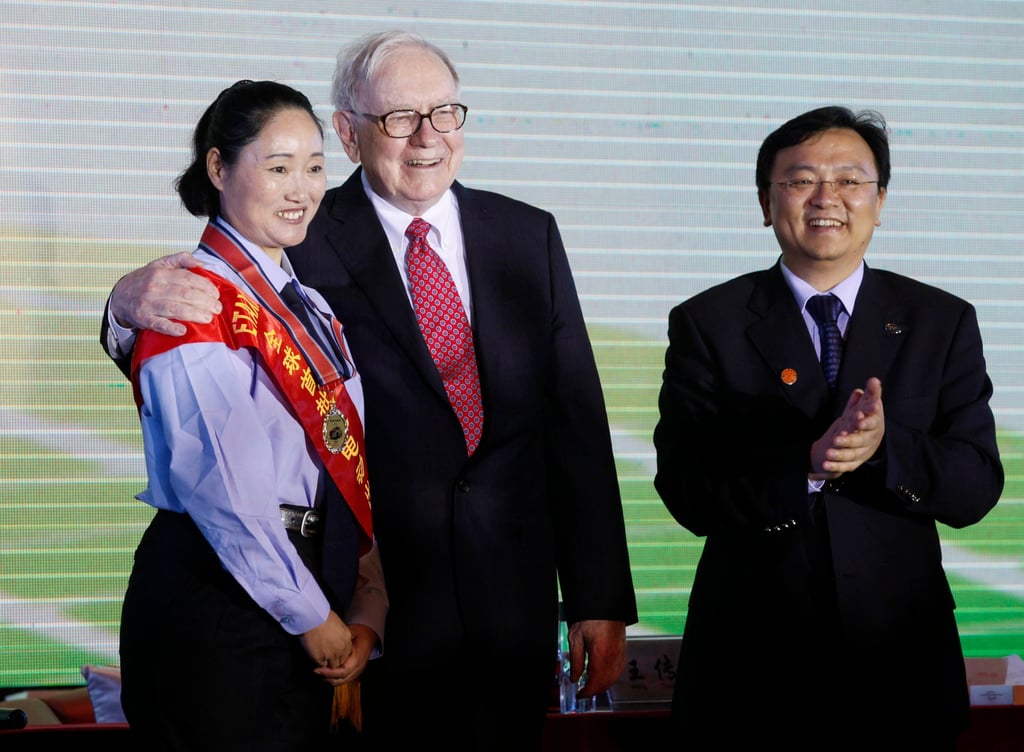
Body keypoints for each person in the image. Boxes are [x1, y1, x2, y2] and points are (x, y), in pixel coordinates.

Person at [102, 31, 637, 751]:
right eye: (399, 117)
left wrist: (599, 596)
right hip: (361, 619)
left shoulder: (527, 234)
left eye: (444, 112)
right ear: (351, 134)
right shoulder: (294, 234)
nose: (427, 136)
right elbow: (199, 345)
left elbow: (576, 425)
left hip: (508, 610)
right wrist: (121, 307)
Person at [652, 105, 1004, 751]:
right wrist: (806, 465)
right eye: (801, 180)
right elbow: (687, 490)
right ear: (766, 203)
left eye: (849, 180)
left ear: (880, 201)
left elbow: (975, 487)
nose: (826, 198)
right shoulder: (709, 322)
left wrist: (883, 450)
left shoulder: (940, 321)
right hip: (751, 668)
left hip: (901, 663)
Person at [116, 79, 387, 751]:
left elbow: (340, 457)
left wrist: (365, 595)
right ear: (218, 168)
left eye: (315, 167)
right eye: (278, 168)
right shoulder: (185, 300)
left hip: (306, 584)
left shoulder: (311, 307)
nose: (302, 190)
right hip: (223, 599)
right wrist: (312, 618)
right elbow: (223, 492)